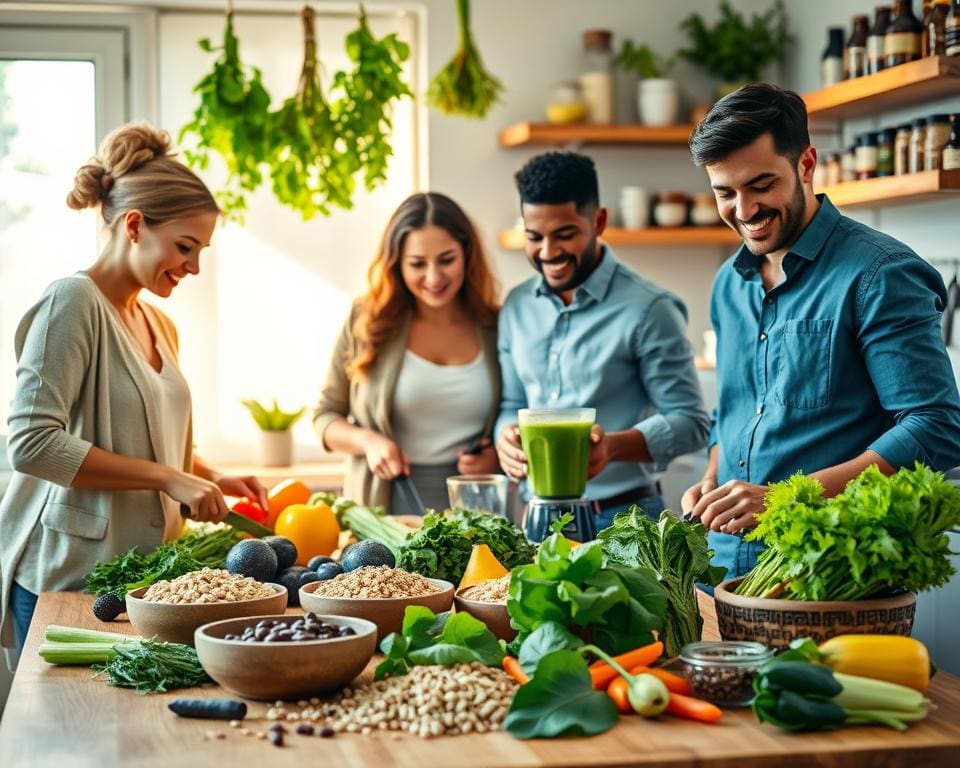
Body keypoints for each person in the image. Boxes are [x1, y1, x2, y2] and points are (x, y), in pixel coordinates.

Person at [0, 122, 268, 659]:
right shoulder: (71, 301)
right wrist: (171, 478)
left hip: (143, 582)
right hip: (67, 580)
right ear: (136, 225)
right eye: (185, 247)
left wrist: (210, 475)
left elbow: (149, 442)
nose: (193, 266)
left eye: (202, 251)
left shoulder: (159, 325)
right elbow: (31, 444)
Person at [682, 83, 960, 580]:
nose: (744, 212)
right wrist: (711, 480)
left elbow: (935, 428)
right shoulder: (729, 282)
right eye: (726, 192)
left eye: (761, 185)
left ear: (806, 165)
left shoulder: (880, 272)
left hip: (831, 572)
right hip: (724, 567)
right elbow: (735, 411)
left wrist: (782, 500)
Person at [495, 151, 710, 531]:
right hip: (536, 519)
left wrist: (612, 447)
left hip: (622, 519)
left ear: (599, 221)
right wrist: (505, 439)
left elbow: (691, 421)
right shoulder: (516, 306)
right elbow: (513, 404)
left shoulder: (650, 308)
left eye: (565, 234)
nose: (548, 253)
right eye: (534, 237)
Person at [314, 192, 501, 514]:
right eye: (417, 264)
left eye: (446, 260)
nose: (433, 277)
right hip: (383, 506)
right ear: (396, 263)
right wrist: (369, 442)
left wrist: (496, 455)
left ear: (466, 255)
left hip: (477, 510)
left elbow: (519, 413)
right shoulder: (367, 321)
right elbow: (324, 417)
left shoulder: (495, 326)